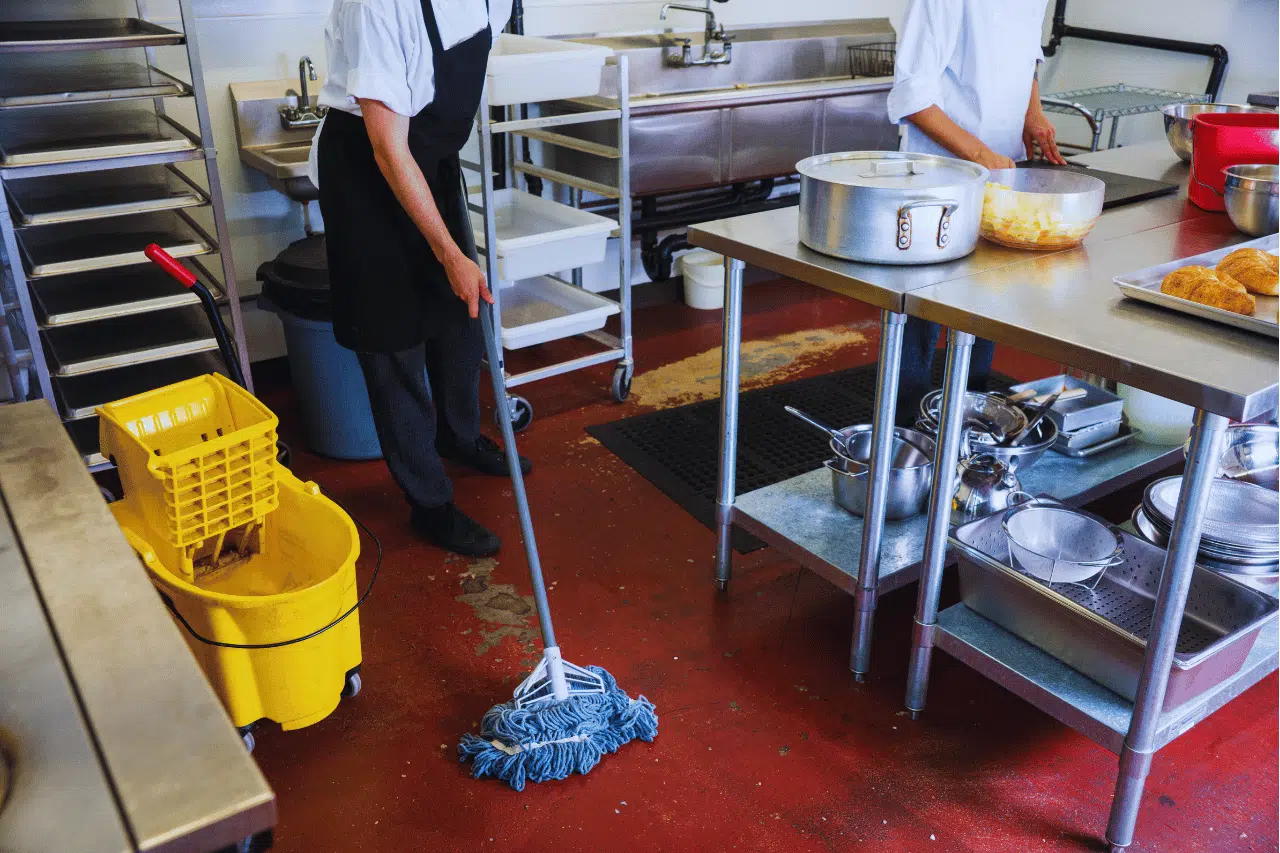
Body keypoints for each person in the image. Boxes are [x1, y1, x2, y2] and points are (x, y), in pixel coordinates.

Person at [310, 0, 524, 558]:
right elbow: (386, 144)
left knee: (459, 318)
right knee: (393, 341)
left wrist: (453, 254)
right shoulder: (378, 5)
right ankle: (429, 502)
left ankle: (458, 436)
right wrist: (450, 252)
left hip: (427, 160)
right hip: (368, 169)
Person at [886, 0, 1066, 425]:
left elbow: (1027, 56)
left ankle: (969, 417)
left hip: (1002, 171)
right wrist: (982, 155)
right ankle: (908, 430)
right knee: (924, 307)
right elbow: (914, 96)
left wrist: (1032, 113)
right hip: (939, 177)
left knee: (989, 296)